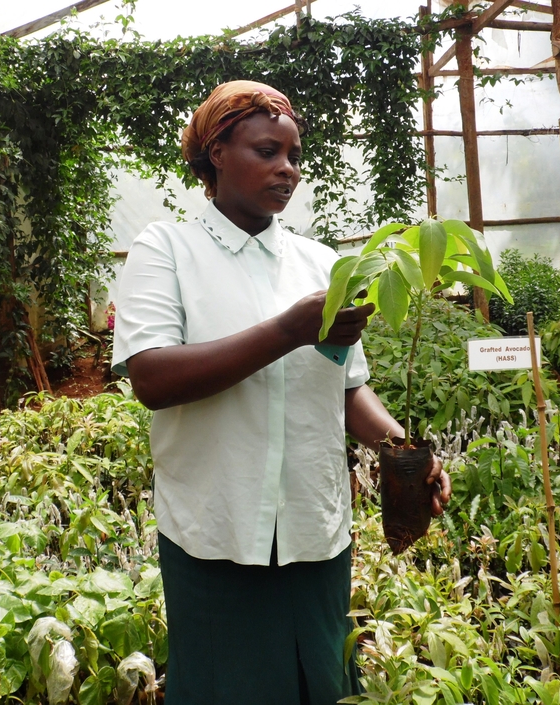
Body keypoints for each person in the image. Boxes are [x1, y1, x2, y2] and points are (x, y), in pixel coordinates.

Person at [111, 80, 451, 705]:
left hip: (311, 533)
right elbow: (153, 378)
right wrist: (288, 330)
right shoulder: (167, 251)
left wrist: (401, 447)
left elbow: (349, 388)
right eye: (268, 151)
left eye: (294, 157)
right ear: (216, 152)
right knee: (223, 685)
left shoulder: (321, 262)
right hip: (217, 533)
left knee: (320, 680)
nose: (287, 171)